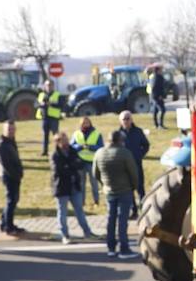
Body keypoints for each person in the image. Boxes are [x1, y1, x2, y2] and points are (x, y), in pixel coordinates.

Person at [94, 129, 140, 258]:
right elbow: (133, 174)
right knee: (122, 221)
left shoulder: (100, 153)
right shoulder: (125, 153)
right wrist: (133, 187)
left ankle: (111, 248)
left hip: (109, 191)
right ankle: (124, 249)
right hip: (124, 190)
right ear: (120, 140)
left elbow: (95, 173)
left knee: (111, 219)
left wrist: (104, 185)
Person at [51, 130, 96, 243]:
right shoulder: (55, 155)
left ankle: (87, 232)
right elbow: (58, 170)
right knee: (62, 212)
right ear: (58, 142)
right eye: (63, 141)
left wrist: (70, 166)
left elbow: (79, 164)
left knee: (79, 211)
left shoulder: (72, 151)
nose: (66, 143)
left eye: (67, 140)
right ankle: (65, 235)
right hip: (62, 187)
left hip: (74, 186)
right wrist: (72, 167)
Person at [118, 110, 151, 220]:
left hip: (136, 164)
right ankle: (134, 211)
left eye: (128, 118)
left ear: (132, 119)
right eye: (124, 119)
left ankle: (144, 210)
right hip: (124, 167)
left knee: (140, 187)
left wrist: (140, 155)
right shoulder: (118, 134)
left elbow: (146, 145)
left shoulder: (138, 131)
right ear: (120, 121)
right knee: (129, 189)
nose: (126, 121)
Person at [0, 120, 25, 235]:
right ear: (4, 130)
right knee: (11, 200)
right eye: (9, 129)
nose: (11, 131)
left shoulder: (10, 140)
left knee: (13, 200)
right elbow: (6, 164)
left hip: (14, 175)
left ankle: (6, 223)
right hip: (8, 176)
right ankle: (8, 227)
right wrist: (17, 175)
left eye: (13, 129)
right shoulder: (2, 144)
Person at [71, 115, 103, 205]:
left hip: (92, 162)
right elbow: (72, 147)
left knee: (94, 182)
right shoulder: (76, 134)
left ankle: (96, 201)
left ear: (90, 123)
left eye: (87, 122)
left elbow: (100, 147)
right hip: (80, 162)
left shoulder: (96, 133)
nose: (85, 124)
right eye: (83, 123)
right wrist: (80, 147)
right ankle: (82, 201)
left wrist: (90, 147)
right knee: (81, 183)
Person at [37, 79, 63, 156]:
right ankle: (44, 151)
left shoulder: (57, 95)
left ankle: (58, 151)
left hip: (54, 118)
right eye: (47, 85)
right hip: (45, 118)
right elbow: (35, 104)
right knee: (45, 135)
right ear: (45, 86)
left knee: (56, 135)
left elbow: (61, 105)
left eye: (50, 85)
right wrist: (42, 104)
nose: (49, 87)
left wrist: (50, 104)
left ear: (53, 86)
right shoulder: (41, 95)